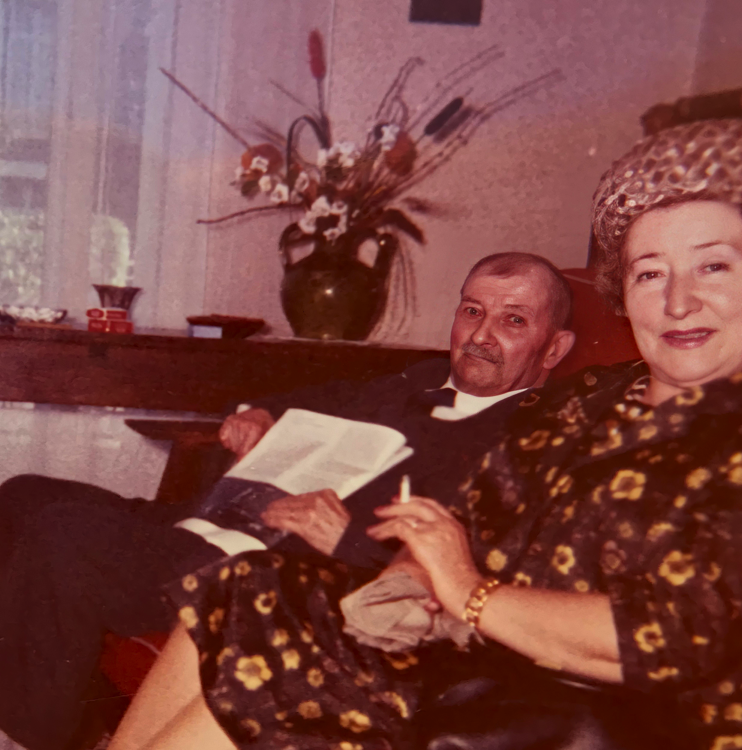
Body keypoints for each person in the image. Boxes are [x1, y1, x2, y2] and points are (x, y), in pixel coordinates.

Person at [110, 118, 742, 750]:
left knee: (301, 674)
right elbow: (468, 517)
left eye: (712, 266)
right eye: (650, 273)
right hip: (487, 651)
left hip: (606, 712)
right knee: (253, 586)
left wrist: (467, 590)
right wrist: (413, 575)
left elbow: (669, 637)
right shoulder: (587, 399)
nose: (677, 302)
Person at [0, 252, 575, 750]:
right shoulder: (419, 377)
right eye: (472, 311)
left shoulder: (531, 443)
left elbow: (470, 559)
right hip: (217, 517)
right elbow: (325, 396)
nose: (481, 335)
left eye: (513, 320)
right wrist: (260, 413)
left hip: (269, 571)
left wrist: (348, 542)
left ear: (554, 348)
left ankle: (33, 736)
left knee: (62, 533)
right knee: (23, 493)